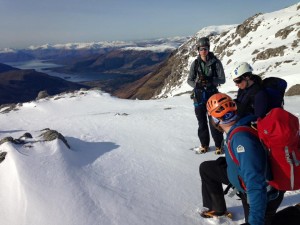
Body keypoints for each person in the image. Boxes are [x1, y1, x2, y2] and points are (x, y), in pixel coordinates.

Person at [199, 93, 284, 225]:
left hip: (263, 196)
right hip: (244, 179)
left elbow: (255, 184)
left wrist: (254, 222)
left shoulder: (241, 140)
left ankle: (295, 214)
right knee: (207, 169)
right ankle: (217, 208)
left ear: (215, 121)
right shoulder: (244, 122)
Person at [187, 37, 226, 154]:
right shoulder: (195, 64)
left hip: (212, 96)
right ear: (198, 50)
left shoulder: (216, 62)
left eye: (205, 49)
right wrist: (197, 84)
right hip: (198, 96)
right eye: (201, 49)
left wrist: (211, 80)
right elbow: (189, 80)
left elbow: (222, 80)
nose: (203, 51)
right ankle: (204, 144)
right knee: (202, 122)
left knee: (214, 121)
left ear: (208, 49)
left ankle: (219, 145)